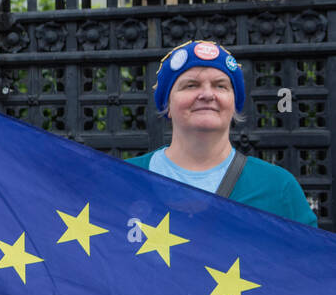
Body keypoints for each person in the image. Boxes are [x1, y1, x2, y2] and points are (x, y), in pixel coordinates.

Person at [126, 39, 317, 227]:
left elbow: (309, 257)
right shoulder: (122, 179)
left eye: (221, 86)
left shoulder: (278, 188)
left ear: (234, 104)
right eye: (191, 85)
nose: (207, 95)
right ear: (167, 104)